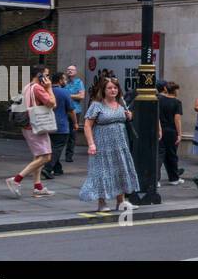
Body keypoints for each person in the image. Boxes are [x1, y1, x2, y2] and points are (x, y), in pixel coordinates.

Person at [79, 76, 141, 213]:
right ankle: (102, 203)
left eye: (115, 87)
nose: (113, 90)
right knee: (103, 172)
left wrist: (129, 116)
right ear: (103, 90)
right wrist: (91, 144)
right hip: (102, 145)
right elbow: (87, 126)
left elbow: (125, 119)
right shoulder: (97, 105)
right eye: (109, 88)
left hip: (120, 145)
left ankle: (121, 202)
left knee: (121, 170)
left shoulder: (121, 104)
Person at [7, 66, 57, 199]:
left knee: (38, 157)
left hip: (28, 125)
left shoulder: (27, 87)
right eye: (46, 75)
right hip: (37, 125)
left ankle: (38, 186)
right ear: (40, 76)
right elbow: (52, 103)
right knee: (46, 157)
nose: (48, 78)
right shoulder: (39, 88)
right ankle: (16, 180)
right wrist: (49, 88)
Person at [41, 72, 78, 181]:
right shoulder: (64, 92)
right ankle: (47, 168)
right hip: (61, 125)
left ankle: (58, 168)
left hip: (46, 123)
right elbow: (71, 110)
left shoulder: (46, 91)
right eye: (65, 79)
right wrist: (75, 122)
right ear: (60, 80)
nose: (66, 81)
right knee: (57, 147)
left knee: (53, 146)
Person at [157, 80, 184, 185]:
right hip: (171, 131)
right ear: (176, 90)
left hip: (160, 130)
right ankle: (174, 178)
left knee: (160, 155)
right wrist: (179, 134)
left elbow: (157, 116)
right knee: (172, 155)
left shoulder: (159, 99)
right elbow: (177, 119)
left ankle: (156, 180)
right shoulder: (177, 102)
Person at [64, 64, 86, 164]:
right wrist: (73, 96)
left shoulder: (79, 82)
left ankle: (69, 155)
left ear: (76, 72)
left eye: (72, 70)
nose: (70, 71)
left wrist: (68, 95)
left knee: (72, 134)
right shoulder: (63, 82)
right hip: (63, 110)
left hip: (75, 111)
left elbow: (81, 96)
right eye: (68, 69)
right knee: (63, 133)